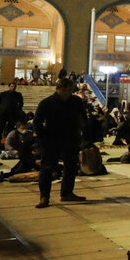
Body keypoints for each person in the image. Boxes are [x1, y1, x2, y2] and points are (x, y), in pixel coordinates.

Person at [33, 78, 88, 209]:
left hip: (70, 139)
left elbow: (83, 119)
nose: (66, 93)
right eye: (64, 90)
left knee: (71, 167)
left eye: (69, 90)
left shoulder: (76, 101)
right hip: (51, 140)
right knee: (47, 168)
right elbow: (37, 122)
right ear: (58, 89)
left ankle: (67, 193)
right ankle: (44, 197)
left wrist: (83, 137)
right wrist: (42, 138)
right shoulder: (46, 103)